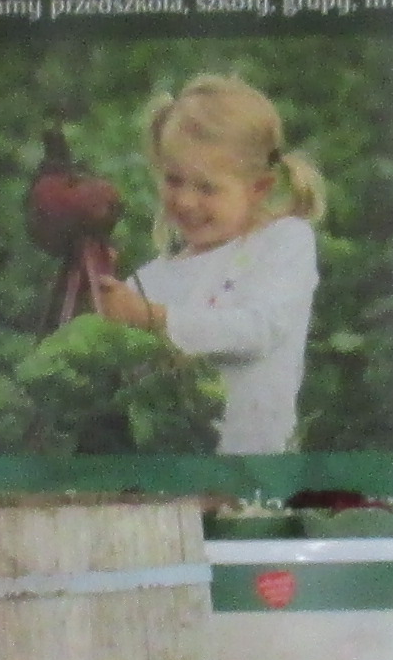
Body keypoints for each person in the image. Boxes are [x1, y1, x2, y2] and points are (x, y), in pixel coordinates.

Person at [94, 73, 326, 454]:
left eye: (207, 188)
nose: (186, 201)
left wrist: (152, 318)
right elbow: (129, 384)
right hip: (172, 472)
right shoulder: (148, 282)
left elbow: (258, 330)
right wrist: (102, 307)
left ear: (258, 188)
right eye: (174, 180)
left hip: (257, 471)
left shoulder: (283, 241)